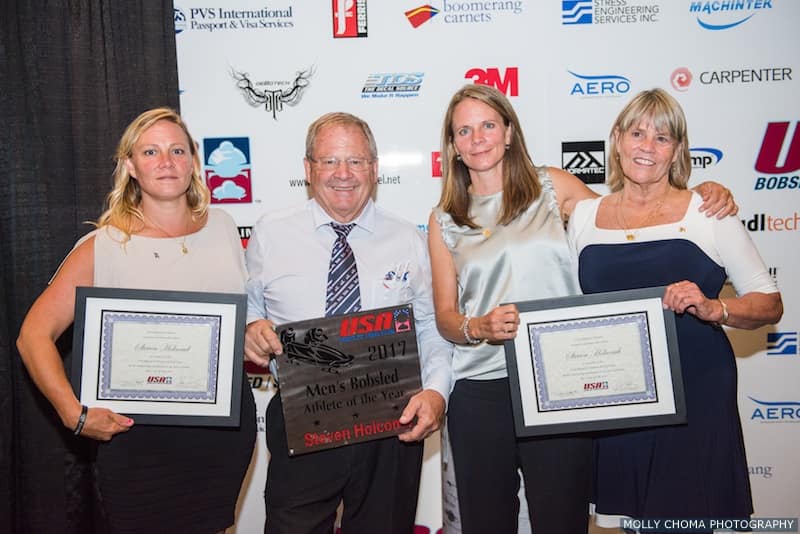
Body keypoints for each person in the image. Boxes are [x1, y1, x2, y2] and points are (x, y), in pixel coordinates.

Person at [427, 83, 737, 534]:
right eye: (464, 131)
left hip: (562, 384)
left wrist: (694, 195)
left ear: (509, 132)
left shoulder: (552, 186)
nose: (478, 139)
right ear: (453, 146)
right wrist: (478, 326)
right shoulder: (444, 218)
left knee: (563, 520)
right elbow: (445, 317)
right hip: (481, 389)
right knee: (485, 523)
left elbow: (634, 221)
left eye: (488, 125)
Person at [16, 108, 257, 533]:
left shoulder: (222, 227)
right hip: (136, 438)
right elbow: (33, 336)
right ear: (130, 165)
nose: (166, 162)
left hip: (222, 429)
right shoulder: (104, 245)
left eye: (177, 151)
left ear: (193, 160)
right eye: (150, 152)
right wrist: (72, 413)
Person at [568, 88, 782, 530]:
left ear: (677, 150)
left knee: (692, 514)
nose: (647, 146)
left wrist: (715, 308)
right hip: (619, 398)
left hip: (696, 392)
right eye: (637, 133)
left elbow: (769, 303)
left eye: (662, 137)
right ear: (617, 139)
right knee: (626, 521)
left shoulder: (708, 212)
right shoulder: (585, 216)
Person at [243, 111, 452, 534]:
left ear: (374, 169)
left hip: (391, 425)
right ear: (308, 169)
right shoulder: (270, 234)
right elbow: (248, 309)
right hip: (302, 418)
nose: (343, 173)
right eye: (329, 161)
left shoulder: (408, 239)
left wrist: (436, 392)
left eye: (355, 161)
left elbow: (431, 327)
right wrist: (250, 329)